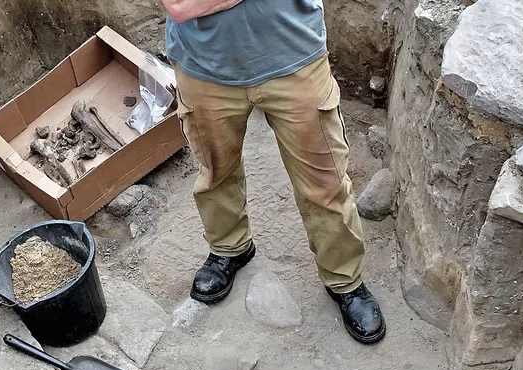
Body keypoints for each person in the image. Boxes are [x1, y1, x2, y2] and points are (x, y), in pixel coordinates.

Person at [162, 0, 387, 344]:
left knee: (324, 183)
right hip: (203, 65)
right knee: (215, 172)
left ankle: (345, 281)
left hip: (293, 57)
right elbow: (180, 5)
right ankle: (230, 247)